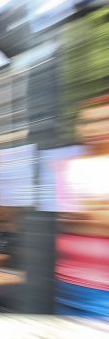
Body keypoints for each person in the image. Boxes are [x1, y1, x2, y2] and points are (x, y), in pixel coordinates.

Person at [55, 94, 109, 318]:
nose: (95, 127)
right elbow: (59, 217)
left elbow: (76, 215)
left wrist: (86, 211)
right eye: (87, 121)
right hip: (67, 284)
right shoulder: (68, 166)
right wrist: (98, 210)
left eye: (103, 119)